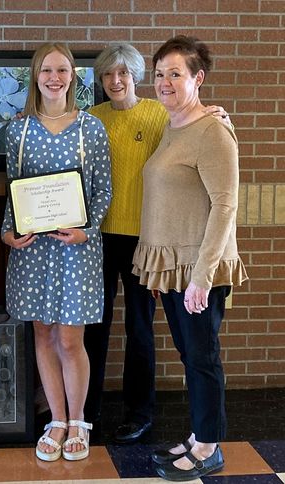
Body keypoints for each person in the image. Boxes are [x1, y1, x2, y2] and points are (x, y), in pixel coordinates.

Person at [83, 44, 232, 444]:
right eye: (108, 75)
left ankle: (140, 413)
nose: (116, 81)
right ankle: (85, 412)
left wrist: (219, 114)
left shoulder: (159, 114)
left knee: (140, 328)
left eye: (124, 74)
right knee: (93, 329)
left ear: (135, 77)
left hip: (148, 244)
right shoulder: (91, 119)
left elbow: (204, 146)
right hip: (98, 238)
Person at [131, 35, 248, 481]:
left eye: (175, 74)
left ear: (198, 78)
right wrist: (163, 270)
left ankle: (209, 448)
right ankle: (200, 434)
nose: (164, 82)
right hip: (173, 268)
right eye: (160, 74)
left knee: (202, 357)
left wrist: (201, 276)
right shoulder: (172, 124)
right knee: (190, 354)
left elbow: (225, 206)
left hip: (199, 269)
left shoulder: (212, 130)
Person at [1, 42, 111, 462]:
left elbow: (103, 189)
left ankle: (79, 420)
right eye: (46, 70)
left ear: (73, 76)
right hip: (32, 251)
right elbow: (13, 189)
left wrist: (88, 229)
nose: (54, 77)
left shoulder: (90, 128)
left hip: (75, 249)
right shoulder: (18, 130)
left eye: (62, 70)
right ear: (35, 75)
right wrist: (8, 231)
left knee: (69, 337)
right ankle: (57, 420)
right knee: (43, 333)